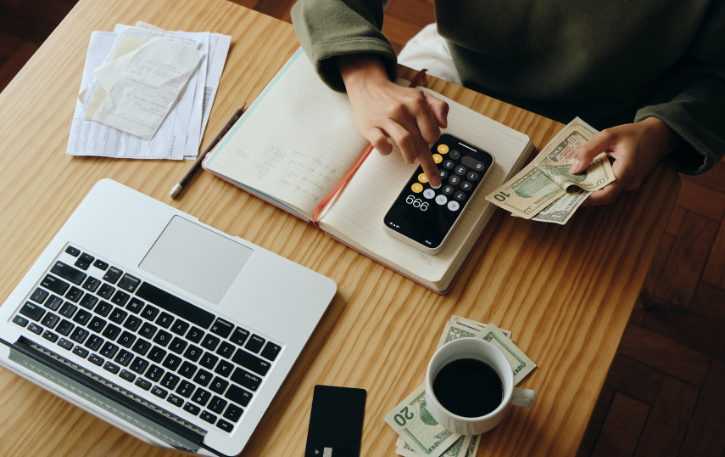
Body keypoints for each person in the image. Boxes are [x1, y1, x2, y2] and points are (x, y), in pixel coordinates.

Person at [290, 0, 725, 206]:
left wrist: (662, 131)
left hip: (611, 125)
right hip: (460, 69)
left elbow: (716, 74)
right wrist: (364, 78)